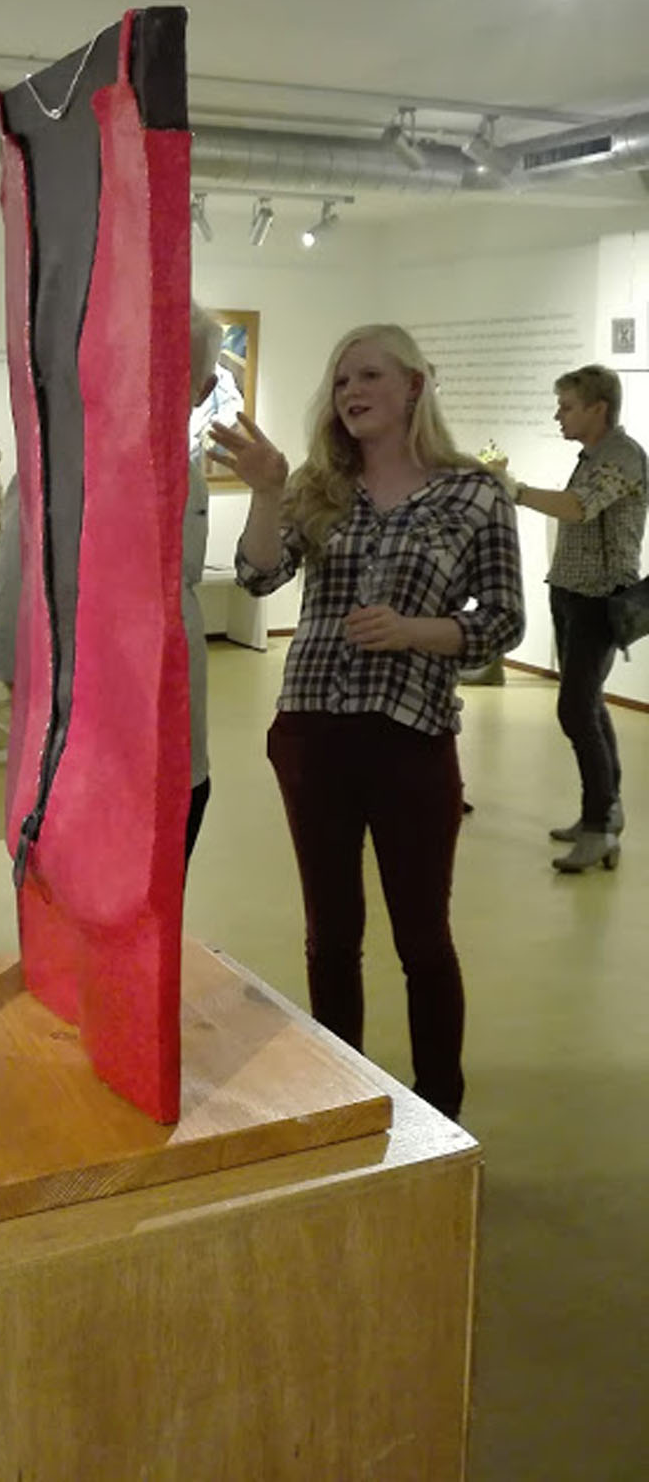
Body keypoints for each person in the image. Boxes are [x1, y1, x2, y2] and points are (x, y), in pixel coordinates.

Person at [211, 323, 524, 1122]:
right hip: (312, 735)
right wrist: (267, 491)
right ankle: (340, 1095)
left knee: (422, 937)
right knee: (331, 935)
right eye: (342, 379)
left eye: (370, 376)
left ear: (414, 385)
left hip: (412, 736)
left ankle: (440, 1108)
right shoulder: (319, 486)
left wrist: (415, 630)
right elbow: (257, 576)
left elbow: (502, 620)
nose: (351, 391)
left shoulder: (474, 493)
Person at [0, 298, 223, 862]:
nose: (152, 385)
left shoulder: (187, 474)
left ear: (204, 388)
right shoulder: (57, 466)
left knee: (161, 895)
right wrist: (37, 710)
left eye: (173, 371)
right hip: (85, 747)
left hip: (175, 744)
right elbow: (11, 609)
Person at [502, 364, 647, 874]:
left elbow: (579, 507)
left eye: (567, 407)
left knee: (575, 709)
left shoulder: (622, 456)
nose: (558, 416)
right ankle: (605, 812)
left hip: (599, 601)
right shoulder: (591, 455)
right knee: (588, 705)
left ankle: (600, 826)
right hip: (570, 595)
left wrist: (515, 490)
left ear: (598, 408)